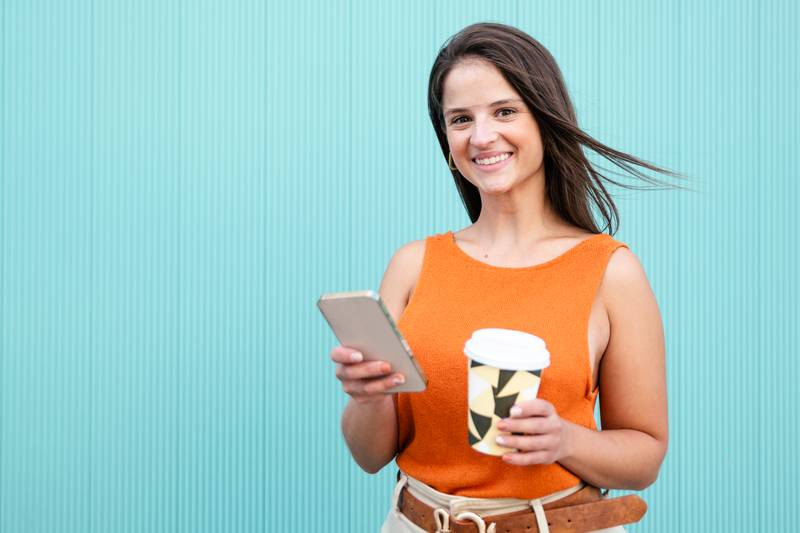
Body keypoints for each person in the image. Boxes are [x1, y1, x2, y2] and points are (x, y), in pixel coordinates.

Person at [330, 22, 685, 533]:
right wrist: (369, 398)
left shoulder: (611, 271)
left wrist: (565, 440)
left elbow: (645, 457)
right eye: (460, 119)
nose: (481, 136)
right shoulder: (412, 265)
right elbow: (370, 455)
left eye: (504, 111)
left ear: (545, 118)